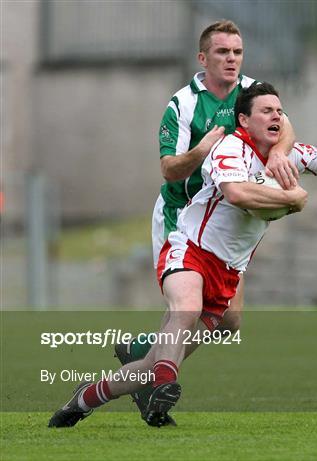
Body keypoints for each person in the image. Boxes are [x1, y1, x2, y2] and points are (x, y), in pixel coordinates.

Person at [49, 82, 317, 428]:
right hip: (190, 247)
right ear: (245, 121)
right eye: (267, 110)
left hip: (228, 273)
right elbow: (238, 194)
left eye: (280, 111)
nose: (277, 116)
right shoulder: (229, 149)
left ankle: (86, 397)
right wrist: (292, 199)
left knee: (151, 363)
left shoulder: (291, 158)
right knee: (184, 310)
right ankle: (166, 385)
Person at [113, 20, 298, 426]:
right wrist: (202, 150)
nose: (231, 59)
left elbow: (285, 126)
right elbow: (169, 169)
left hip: (226, 218)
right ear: (203, 58)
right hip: (184, 218)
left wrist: (282, 152)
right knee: (186, 309)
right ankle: (153, 379)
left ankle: (145, 355)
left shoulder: (251, 92)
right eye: (222, 52)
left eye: (237, 52)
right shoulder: (182, 105)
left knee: (228, 321)